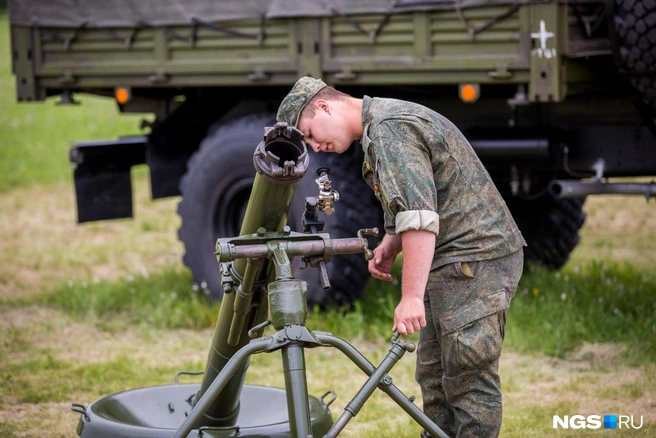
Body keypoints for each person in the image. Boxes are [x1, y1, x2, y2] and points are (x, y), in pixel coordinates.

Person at [277, 76, 526, 438]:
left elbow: (421, 219)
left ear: (324, 106)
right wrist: (391, 244)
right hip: (452, 260)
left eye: (311, 133)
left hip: (476, 257)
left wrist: (410, 297)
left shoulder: (390, 130)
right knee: (434, 376)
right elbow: (413, 199)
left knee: (467, 376)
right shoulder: (379, 128)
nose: (316, 146)